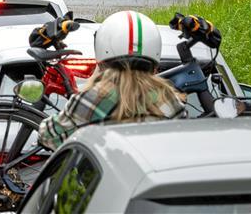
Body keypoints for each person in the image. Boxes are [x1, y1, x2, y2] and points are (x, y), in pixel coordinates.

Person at [38, 11, 185, 150]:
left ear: (103, 53)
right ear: (155, 58)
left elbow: (47, 136)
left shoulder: (93, 99)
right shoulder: (169, 99)